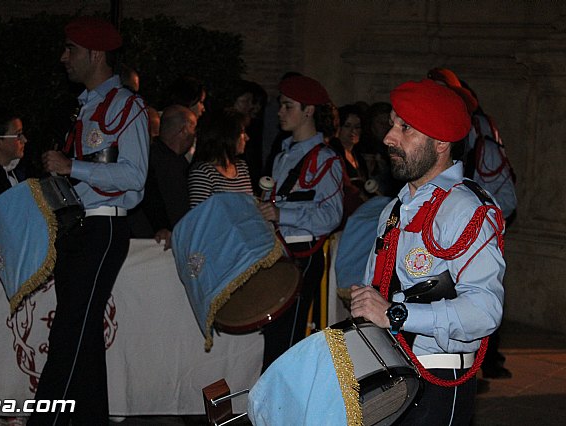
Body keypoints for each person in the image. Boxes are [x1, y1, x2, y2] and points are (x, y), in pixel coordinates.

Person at [349, 79, 505, 424]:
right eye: (392, 124)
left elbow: (485, 309)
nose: (390, 137)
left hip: (437, 381)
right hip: (389, 371)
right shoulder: (395, 208)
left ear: (440, 143)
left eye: (406, 128)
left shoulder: (465, 209)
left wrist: (398, 315)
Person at [28, 16, 149, 425]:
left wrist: (72, 166)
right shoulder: (87, 105)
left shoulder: (126, 105)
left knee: (68, 335)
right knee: (83, 335)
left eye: (71, 49)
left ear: (96, 54)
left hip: (103, 227)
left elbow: (134, 177)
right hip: (79, 226)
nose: (64, 58)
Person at [428, 67, 517, 380]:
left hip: (467, 235)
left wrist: (476, 220)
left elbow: (506, 198)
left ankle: (483, 362)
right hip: (434, 237)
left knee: (476, 300)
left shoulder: (482, 143)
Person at [257, 75, 344, 371]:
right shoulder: (283, 153)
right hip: (279, 252)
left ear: (308, 111)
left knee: (289, 339)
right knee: (274, 335)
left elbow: (331, 215)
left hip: (302, 255)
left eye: (287, 105)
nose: (280, 112)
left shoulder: (326, 159)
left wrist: (283, 215)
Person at [141, 104, 197, 249]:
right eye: (194, 128)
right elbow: (151, 196)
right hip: (159, 244)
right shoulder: (153, 159)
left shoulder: (177, 161)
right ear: (184, 130)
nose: (195, 134)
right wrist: (161, 226)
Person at [188, 108, 252, 207]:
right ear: (228, 137)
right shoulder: (204, 173)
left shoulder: (241, 167)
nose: (247, 138)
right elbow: (200, 216)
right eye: (242, 133)